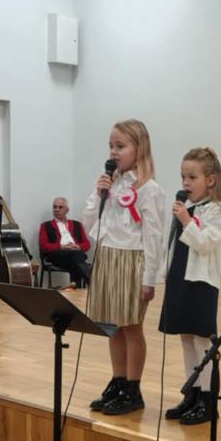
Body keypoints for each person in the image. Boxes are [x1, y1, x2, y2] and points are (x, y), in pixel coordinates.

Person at [83, 119, 165, 415]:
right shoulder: (110, 183)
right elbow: (89, 222)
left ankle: (133, 388)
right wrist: (98, 194)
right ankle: (117, 381)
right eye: (111, 146)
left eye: (121, 146)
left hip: (132, 260)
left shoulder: (149, 189)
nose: (114, 152)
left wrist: (149, 278)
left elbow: (153, 236)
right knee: (111, 326)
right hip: (106, 256)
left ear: (139, 149)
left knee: (131, 326)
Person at [160, 147, 221, 425]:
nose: (186, 183)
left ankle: (208, 399)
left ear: (210, 180)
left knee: (203, 340)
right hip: (180, 277)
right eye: (183, 177)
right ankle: (191, 392)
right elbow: (173, 245)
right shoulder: (186, 208)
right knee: (186, 338)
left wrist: (187, 221)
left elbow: (206, 243)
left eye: (192, 177)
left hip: (201, 281)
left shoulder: (218, 209)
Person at [38, 197, 91, 287]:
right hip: (57, 255)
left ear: (67, 210)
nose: (57, 209)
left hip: (73, 255)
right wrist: (62, 247)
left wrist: (78, 246)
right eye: (55, 207)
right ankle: (89, 280)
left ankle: (75, 289)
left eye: (60, 207)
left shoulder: (77, 225)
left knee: (75, 260)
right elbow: (43, 245)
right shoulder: (45, 225)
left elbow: (87, 243)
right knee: (78, 257)